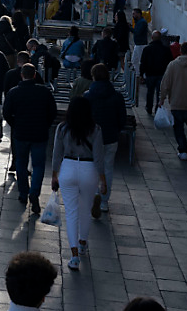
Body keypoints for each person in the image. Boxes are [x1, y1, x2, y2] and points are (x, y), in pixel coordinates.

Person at [51, 97, 107, 270]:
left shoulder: (62, 128)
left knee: (71, 212)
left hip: (68, 168)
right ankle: (83, 242)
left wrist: (54, 174)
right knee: (85, 209)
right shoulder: (96, 129)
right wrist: (103, 179)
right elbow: (99, 157)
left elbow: (56, 153)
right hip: (88, 169)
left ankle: (74, 255)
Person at [4, 64, 57, 214]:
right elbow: (52, 112)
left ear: (22, 75)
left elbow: (6, 113)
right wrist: (45, 124)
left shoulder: (14, 92)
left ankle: (23, 192)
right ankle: (34, 192)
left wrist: (15, 125)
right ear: (34, 75)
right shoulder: (44, 92)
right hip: (39, 133)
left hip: (21, 133)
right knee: (39, 165)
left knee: (21, 163)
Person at [83, 63, 125, 216]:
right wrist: (115, 130)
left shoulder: (87, 96)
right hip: (110, 137)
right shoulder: (117, 96)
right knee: (107, 168)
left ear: (93, 76)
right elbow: (122, 119)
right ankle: (104, 200)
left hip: (91, 137)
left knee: (90, 166)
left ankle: (91, 195)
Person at [159, 42, 187, 160]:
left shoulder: (172, 65)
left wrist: (162, 98)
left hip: (176, 102)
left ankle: (182, 150)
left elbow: (165, 84)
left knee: (178, 127)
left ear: (180, 51)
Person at [140, 30, 173, 115]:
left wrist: (141, 74)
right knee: (159, 93)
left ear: (152, 38)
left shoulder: (147, 49)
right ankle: (158, 107)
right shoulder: (166, 49)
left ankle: (149, 107)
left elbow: (143, 62)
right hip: (161, 74)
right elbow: (170, 62)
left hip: (150, 74)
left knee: (150, 92)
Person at [131, 8, 150, 75]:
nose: (133, 15)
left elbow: (138, 32)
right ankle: (138, 74)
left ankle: (143, 75)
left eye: (134, 14)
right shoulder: (138, 21)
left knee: (141, 60)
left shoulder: (142, 22)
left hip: (141, 44)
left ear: (138, 14)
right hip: (138, 44)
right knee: (134, 60)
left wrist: (130, 28)